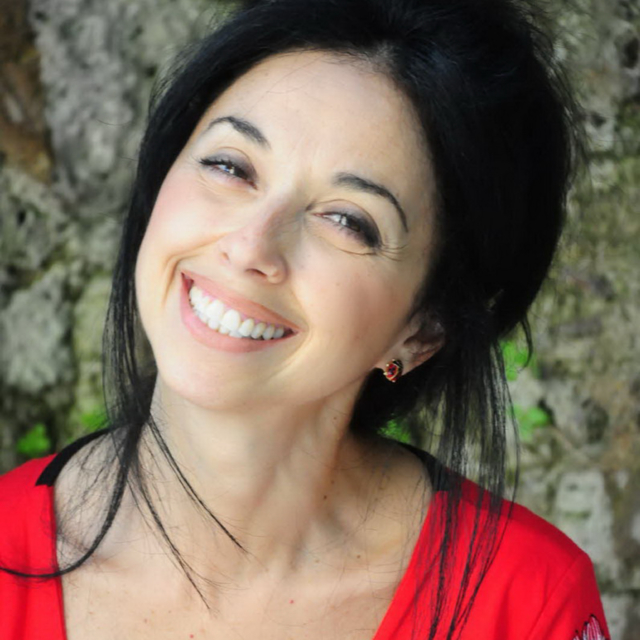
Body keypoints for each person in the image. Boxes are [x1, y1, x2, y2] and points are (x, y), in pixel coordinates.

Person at [0, 0, 611, 638]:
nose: (250, 247)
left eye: (347, 220)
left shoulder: (527, 601)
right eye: (231, 166)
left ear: (424, 329)